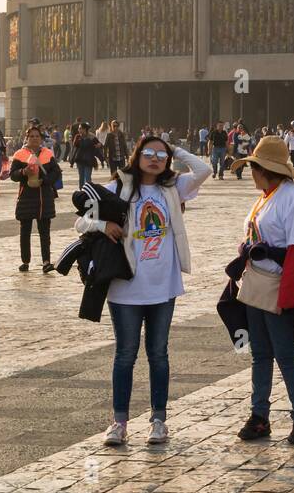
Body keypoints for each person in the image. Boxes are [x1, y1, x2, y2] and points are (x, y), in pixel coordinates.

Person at [78, 135, 212, 446]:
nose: (155, 159)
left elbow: (203, 170)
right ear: (137, 155)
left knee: (158, 354)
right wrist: (104, 226)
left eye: (161, 155)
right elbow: (80, 222)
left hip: (163, 286)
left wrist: (175, 149)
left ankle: (158, 420)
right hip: (126, 287)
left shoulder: (173, 187)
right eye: (148, 153)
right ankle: (119, 422)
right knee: (125, 355)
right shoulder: (119, 187)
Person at [228, 135, 294, 445]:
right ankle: (259, 415)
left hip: (277, 287)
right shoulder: (267, 195)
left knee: (285, 354)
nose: (251, 173)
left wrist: (288, 297)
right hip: (256, 285)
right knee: (261, 354)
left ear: (265, 170)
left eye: (254, 168)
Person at [11, 124, 63, 273]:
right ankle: (25, 261)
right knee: (25, 231)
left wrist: (45, 181)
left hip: (44, 198)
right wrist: (23, 171)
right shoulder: (19, 154)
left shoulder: (47, 154)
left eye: (37, 136)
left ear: (41, 139)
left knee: (44, 232)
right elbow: (13, 175)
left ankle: (46, 261)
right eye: (31, 136)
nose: (34, 139)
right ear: (27, 138)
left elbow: (56, 173)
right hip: (26, 198)